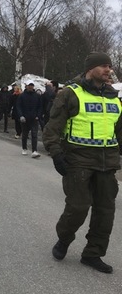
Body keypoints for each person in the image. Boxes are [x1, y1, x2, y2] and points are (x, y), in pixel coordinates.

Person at [44, 52, 122, 274]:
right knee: (78, 207)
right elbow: (52, 128)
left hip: (108, 163)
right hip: (78, 161)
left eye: (110, 66)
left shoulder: (113, 97)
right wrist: (56, 154)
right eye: (104, 66)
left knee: (105, 212)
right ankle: (64, 239)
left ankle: (93, 254)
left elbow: (119, 131)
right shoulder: (70, 94)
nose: (109, 70)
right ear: (91, 68)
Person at [17, 82, 42, 157]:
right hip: (25, 119)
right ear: (26, 86)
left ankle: (34, 150)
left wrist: (38, 115)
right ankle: (24, 148)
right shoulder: (22, 96)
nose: (30, 87)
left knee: (34, 134)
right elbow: (18, 106)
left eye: (32, 86)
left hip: (34, 118)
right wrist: (21, 115)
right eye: (29, 86)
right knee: (25, 134)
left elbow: (40, 107)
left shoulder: (37, 96)